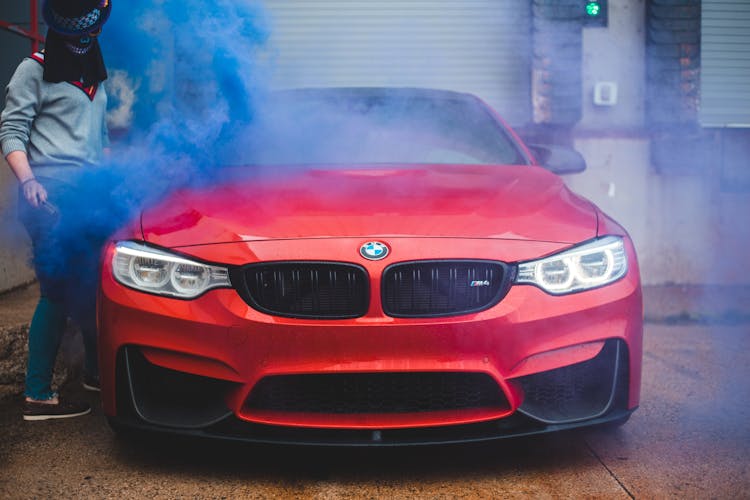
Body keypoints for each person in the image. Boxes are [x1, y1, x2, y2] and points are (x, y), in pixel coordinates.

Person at [0, 0, 112, 420]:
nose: (89, 37)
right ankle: (38, 394)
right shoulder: (34, 68)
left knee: (93, 287)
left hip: (88, 200)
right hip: (47, 197)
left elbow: (99, 142)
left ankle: (96, 375)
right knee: (58, 291)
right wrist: (28, 180)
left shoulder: (96, 78)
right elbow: (11, 130)